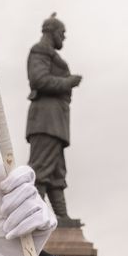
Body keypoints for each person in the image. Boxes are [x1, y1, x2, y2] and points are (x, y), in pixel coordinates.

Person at [25, 13, 80, 223]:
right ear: (52, 32)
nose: (63, 37)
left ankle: (61, 216)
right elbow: (39, 80)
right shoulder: (39, 51)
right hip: (45, 120)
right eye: (62, 33)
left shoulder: (48, 53)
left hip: (55, 121)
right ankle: (34, 215)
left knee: (56, 171)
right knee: (40, 169)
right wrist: (68, 82)